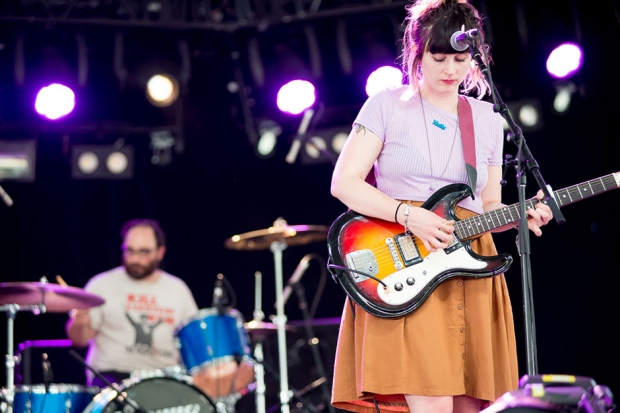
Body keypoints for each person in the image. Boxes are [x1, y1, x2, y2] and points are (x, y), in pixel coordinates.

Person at [329, 1, 553, 412]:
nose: (451, 70)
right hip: (405, 260)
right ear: (417, 53)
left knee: (475, 403)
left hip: (469, 263)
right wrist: (409, 215)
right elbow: (344, 183)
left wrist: (520, 214)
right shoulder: (386, 105)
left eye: (461, 59)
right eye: (439, 58)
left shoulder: (485, 117)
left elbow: (487, 205)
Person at [66, 218, 199, 387]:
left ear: (160, 252)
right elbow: (79, 340)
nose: (135, 259)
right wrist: (80, 323)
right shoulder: (101, 284)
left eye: (144, 252)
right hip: (112, 378)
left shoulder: (178, 289)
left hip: (164, 379)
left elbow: (194, 341)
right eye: (130, 251)